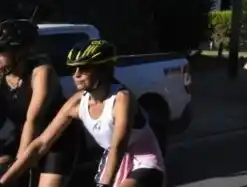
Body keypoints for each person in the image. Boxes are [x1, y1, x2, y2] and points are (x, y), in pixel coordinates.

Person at [0, 40, 164, 187]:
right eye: (73, 69)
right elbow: (41, 144)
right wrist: (6, 179)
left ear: (103, 69)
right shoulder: (77, 102)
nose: (76, 74)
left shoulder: (121, 99)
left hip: (144, 162)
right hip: (115, 162)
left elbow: (118, 145)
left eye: (84, 68)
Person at [0, 20, 77, 187]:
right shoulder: (3, 76)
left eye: (1, 52)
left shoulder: (41, 73)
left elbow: (33, 121)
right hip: (20, 136)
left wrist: (17, 170)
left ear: (21, 51)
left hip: (55, 138)